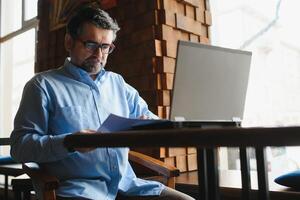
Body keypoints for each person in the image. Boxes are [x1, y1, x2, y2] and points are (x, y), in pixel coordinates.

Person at [10, 6, 195, 200]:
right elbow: (20, 147)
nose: (99, 54)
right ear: (69, 42)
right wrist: (69, 142)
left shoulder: (119, 84)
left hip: (128, 185)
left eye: (105, 47)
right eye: (91, 44)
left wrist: (149, 126)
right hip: (79, 191)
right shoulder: (42, 86)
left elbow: (151, 120)